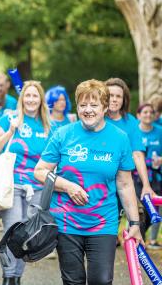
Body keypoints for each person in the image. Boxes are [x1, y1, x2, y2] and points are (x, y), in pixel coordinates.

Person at [34, 79, 142, 285]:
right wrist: (68, 186)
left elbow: (125, 184)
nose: (88, 110)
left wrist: (134, 222)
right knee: (73, 281)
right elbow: (39, 171)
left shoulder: (119, 138)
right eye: (83, 105)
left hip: (104, 224)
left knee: (101, 281)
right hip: (66, 223)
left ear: (104, 107)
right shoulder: (64, 134)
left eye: (94, 105)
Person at [0, 81, 52, 285]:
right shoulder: (9, 119)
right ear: (22, 99)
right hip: (11, 185)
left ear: (41, 99)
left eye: (35, 96)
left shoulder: (50, 126)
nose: (31, 99)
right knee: (13, 231)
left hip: (38, 188)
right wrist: (9, 132)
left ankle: (17, 278)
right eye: (27, 95)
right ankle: (8, 277)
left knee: (27, 236)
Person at [105, 78, 155, 199]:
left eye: (118, 96)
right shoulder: (96, 118)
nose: (114, 99)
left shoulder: (131, 122)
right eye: (111, 95)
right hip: (98, 181)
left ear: (124, 100)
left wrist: (146, 185)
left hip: (123, 180)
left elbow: (137, 154)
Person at [136, 103, 162, 249]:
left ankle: (149, 239)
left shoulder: (160, 132)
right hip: (136, 177)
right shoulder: (134, 132)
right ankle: (139, 238)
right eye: (144, 112)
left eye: (150, 112)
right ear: (138, 115)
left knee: (154, 207)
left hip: (156, 176)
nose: (148, 115)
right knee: (140, 207)